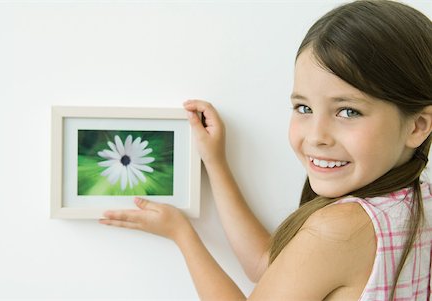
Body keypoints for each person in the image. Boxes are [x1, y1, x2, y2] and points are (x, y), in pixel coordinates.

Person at [99, 0, 432, 300]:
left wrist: (182, 235)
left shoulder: (342, 228)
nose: (316, 136)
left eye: (348, 111)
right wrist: (215, 163)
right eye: (303, 108)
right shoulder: (417, 200)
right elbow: (267, 267)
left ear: (417, 126)